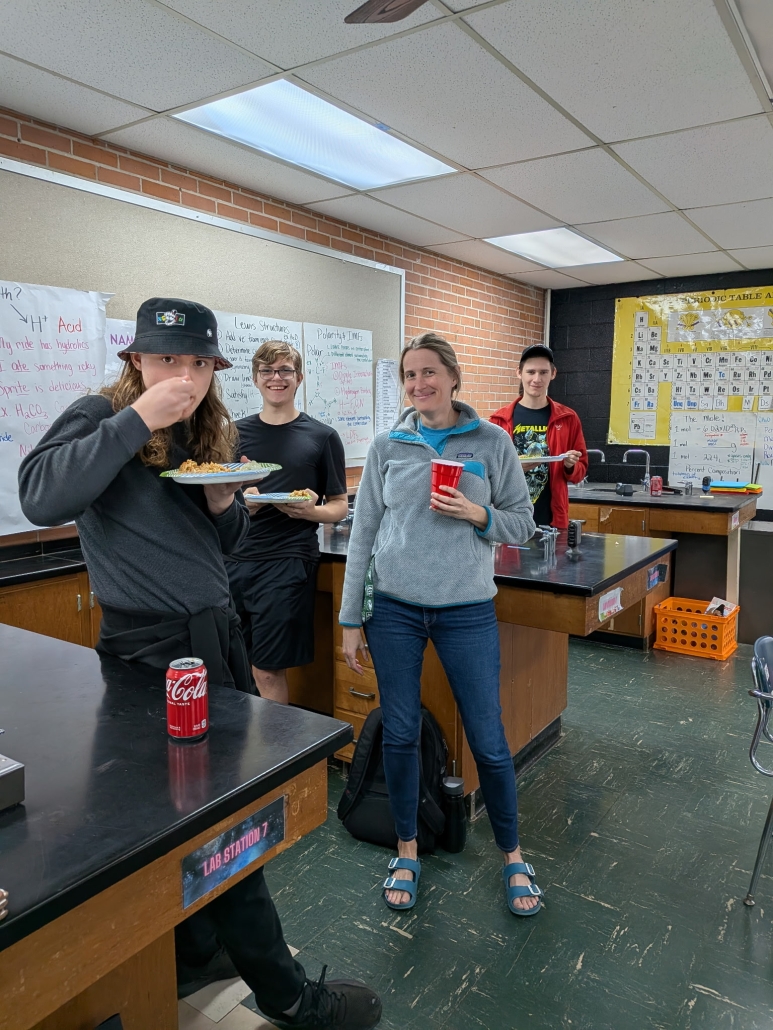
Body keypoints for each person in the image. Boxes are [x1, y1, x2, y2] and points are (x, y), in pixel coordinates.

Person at [17, 297, 381, 1030]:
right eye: (166, 360)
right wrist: (137, 419)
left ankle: (196, 951)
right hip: (151, 647)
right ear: (136, 362)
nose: (182, 376)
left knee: (193, 813)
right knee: (224, 818)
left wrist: (222, 507)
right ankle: (287, 998)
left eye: (196, 364)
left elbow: (217, 548)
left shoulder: (204, 431)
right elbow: (39, 496)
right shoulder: (98, 416)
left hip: (217, 635)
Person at [339, 332, 542, 917]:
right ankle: (407, 850)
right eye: (410, 375)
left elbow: (522, 524)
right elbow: (364, 536)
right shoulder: (388, 446)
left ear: (453, 377)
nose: (419, 384)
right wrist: (352, 617)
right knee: (399, 732)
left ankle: (512, 855)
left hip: (467, 610)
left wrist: (479, 514)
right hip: (395, 611)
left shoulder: (491, 441)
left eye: (430, 372)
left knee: (489, 739)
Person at [226, 340, 347, 704]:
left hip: (286, 560)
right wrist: (245, 504)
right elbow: (217, 500)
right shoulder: (233, 434)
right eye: (267, 371)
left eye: (284, 371)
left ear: (299, 378)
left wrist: (312, 512)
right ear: (255, 378)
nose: (275, 378)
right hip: (232, 560)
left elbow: (338, 506)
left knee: (266, 668)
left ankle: (277, 754)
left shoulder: (322, 437)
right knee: (234, 664)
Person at [490, 344, 587, 529]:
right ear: (519, 373)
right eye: (531, 372)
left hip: (552, 521)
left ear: (553, 373)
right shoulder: (498, 420)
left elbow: (580, 472)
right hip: (509, 519)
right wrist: (516, 468)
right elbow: (488, 473)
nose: (537, 379)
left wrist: (570, 466)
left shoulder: (568, 419)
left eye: (543, 372)